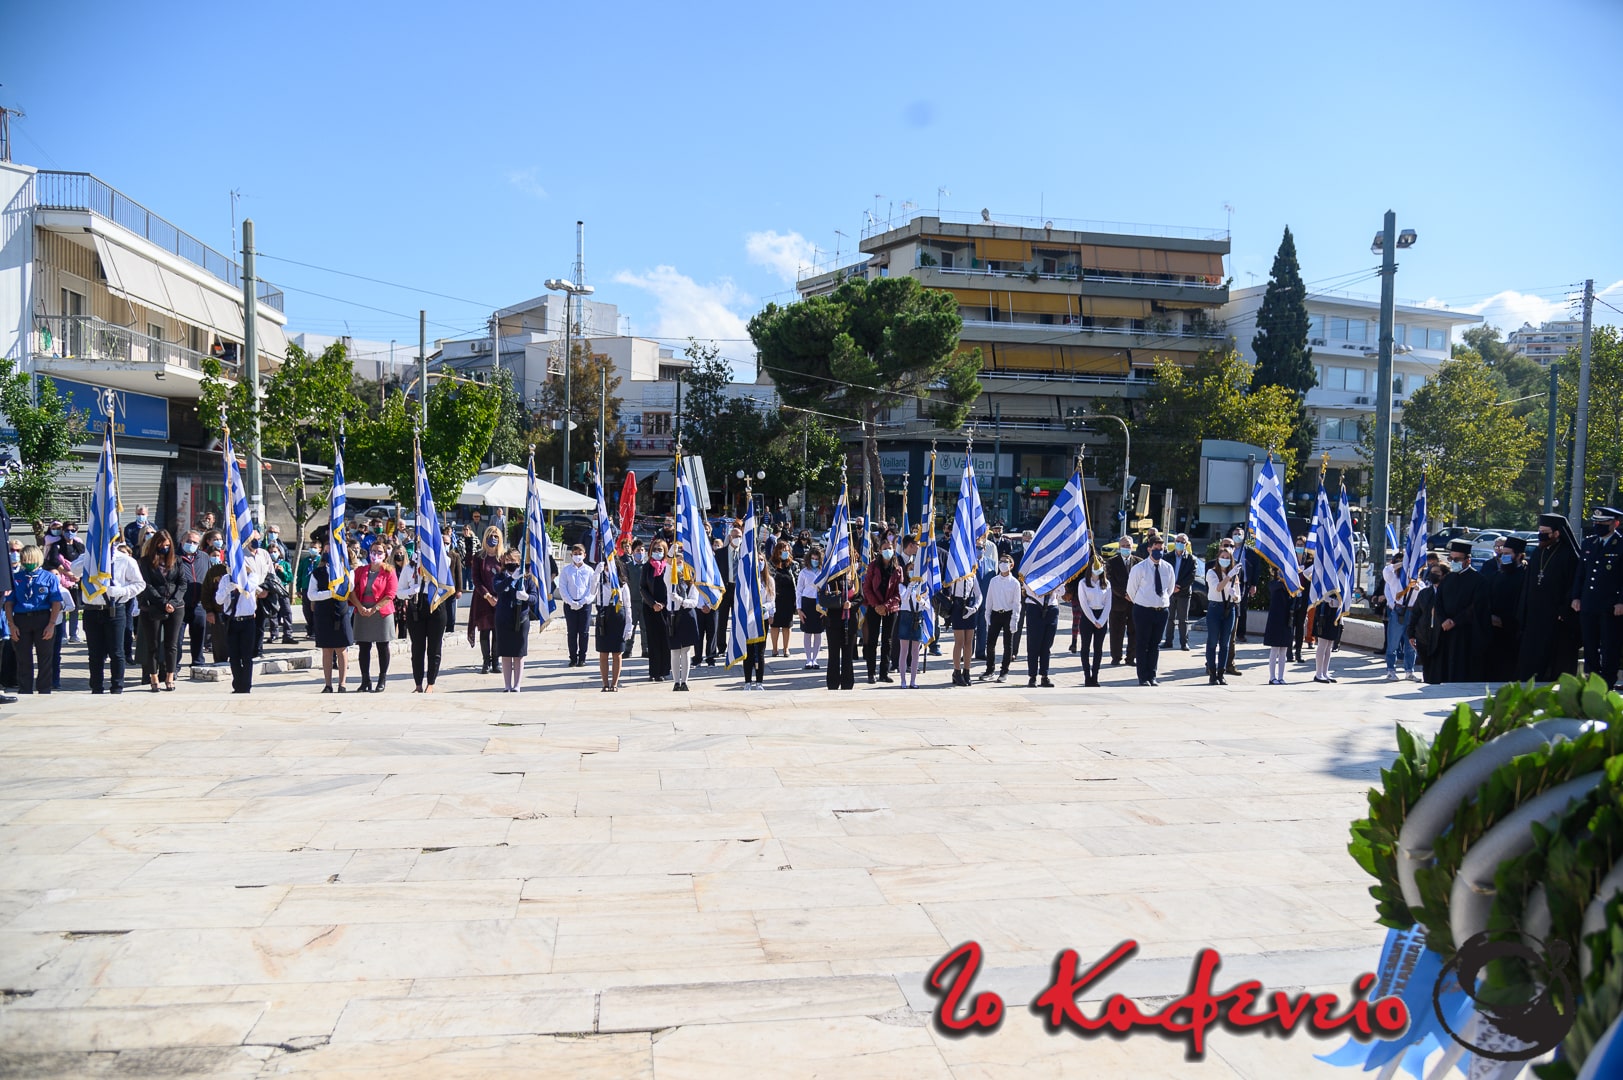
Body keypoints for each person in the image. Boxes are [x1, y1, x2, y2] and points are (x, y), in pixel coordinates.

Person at [70, 538, 143, 694]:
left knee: (116, 651)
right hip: (92, 609)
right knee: (95, 653)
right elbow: (74, 570)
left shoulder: (125, 560)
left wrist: (121, 591)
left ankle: (117, 686)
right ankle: (96, 687)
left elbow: (139, 584)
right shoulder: (88, 558)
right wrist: (90, 557)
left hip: (114, 609)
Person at [1518, 514, 1582, 681]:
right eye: (1539, 531)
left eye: (1545, 532)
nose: (1541, 535)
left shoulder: (1569, 555)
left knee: (1556, 657)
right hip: (1534, 616)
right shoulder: (1538, 553)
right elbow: (1528, 583)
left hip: (1556, 617)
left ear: (1556, 533)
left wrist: (1564, 610)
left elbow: (1574, 585)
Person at [1572, 507, 1623, 688]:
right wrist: (1576, 597)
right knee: (1590, 643)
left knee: (1609, 645)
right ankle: (1592, 679)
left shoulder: (1620, 544)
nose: (1598, 525)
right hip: (1589, 602)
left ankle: (1607, 681)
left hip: (1610, 604)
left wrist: (1621, 601)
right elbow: (1581, 574)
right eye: (1595, 522)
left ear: (1615, 523)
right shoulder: (1589, 543)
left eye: (1603, 522)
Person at [6, 546, 62, 695]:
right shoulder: (16, 577)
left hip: (42, 619)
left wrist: (51, 624)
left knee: (45, 658)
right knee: (23, 658)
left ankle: (44, 690)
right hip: (21, 620)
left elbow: (56, 602)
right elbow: (9, 603)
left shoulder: (49, 577)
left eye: (29, 559)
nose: (27, 563)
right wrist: (11, 625)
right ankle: (25, 690)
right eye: (24, 560)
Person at [136, 531, 185, 692]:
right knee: (153, 645)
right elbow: (147, 585)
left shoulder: (177, 560)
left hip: (175, 607)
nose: (164, 548)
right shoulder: (145, 562)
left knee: (171, 644)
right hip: (153, 606)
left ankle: (169, 676)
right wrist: (163, 603)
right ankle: (153, 677)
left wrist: (173, 602)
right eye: (161, 545)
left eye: (167, 545)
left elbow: (182, 583)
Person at [1436, 538, 1490, 683]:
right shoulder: (1448, 579)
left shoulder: (1479, 580)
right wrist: (1443, 620)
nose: (1453, 562)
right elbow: (1438, 602)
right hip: (1446, 630)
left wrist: (1455, 621)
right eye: (1451, 559)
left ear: (1468, 560)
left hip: (1466, 633)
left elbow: (1476, 606)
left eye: (1457, 559)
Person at [307, 532, 353, 693]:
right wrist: (329, 593)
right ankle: (328, 684)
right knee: (326, 650)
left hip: (340, 612)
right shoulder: (317, 573)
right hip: (323, 614)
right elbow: (311, 595)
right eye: (326, 551)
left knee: (341, 649)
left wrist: (342, 578)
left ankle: (342, 683)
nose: (328, 553)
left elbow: (351, 587)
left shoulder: (345, 571)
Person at [349, 541, 398, 692]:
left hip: (381, 613)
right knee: (364, 647)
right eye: (373, 551)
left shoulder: (389, 571)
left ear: (385, 555)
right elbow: (351, 591)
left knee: (382, 646)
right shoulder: (360, 571)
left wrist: (375, 608)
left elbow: (390, 594)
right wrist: (359, 606)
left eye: (379, 552)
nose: (376, 555)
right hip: (362, 610)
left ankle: (382, 679)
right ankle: (365, 680)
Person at [1126, 534, 1173, 686]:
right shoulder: (1139, 568)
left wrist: (1160, 601)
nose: (1159, 552)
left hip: (1161, 610)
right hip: (1143, 610)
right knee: (1142, 643)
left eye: (1161, 549)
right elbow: (1131, 591)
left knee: (1155, 644)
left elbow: (1170, 589)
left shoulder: (1168, 568)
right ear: (1149, 549)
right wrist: (1144, 601)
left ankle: (1152, 675)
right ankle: (1142, 676)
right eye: (1156, 549)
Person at [398, 544, 446, 694]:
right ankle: (418, 683)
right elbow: (399, 592)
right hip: (416, 608)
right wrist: (410, 591)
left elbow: (448, 582)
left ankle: (430, 683)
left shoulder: (439, 566)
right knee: (417, 649)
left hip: (435, 606)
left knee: (434, 648)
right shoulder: (409, 568)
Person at [214, 557, 265, 694]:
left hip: (248, 621)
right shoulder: (226, 579)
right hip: (232, 621)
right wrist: (228, 588)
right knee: (234, 656)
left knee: (246, 656)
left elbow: (249, 587)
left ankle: (246, 686)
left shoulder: (252, 576)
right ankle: (237, 685)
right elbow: (218, 600)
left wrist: (238, 583)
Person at [862, 543, 904, 684]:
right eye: (884, 548)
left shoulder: (898, 569)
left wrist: (886, 606)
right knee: (872, 640)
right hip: (874, 607)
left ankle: (884, 673)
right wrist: (876, 605)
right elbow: (866, 587)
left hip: (890, 609)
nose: (887, 551)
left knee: (887, 641)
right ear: (879, 550)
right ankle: (871, 673)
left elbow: (899, 592)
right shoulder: (873, 566)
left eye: (890, 548)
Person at [1488, 535, 1528, 675]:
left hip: (1514, 632)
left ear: (1519, 556)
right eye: (1502, 553)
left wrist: (1504, 622)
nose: (1503, 556)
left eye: (1507, 554)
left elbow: (1523, 605)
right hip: (1494, 630)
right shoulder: (1498, 575)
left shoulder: (1525, 576)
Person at [467, 526, 504, 675]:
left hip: (500, 599)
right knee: (484, 630)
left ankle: (496, 661)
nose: (492, 538)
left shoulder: (503, 557)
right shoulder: (479, 557)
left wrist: (498, 597)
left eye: (495, 536)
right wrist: (488, 596)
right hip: (483, 599)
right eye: (490, 536)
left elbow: (506, 577)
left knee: (497, 631)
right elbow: (476, 579)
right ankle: (486, 662)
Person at [492, 550, 531, 692]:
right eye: (507, 560)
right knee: (506, 653)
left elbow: (534, 598)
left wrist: (526, 597)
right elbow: (497, 588)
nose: (510, 563)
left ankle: (517, 685)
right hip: (504, 619)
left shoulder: (526, 578)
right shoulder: (500, 576)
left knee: (519, 654)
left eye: (513, 560)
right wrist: (511, 578)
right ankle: (507, 685)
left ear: (519, 561)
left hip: (521, 619)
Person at [980, 554, 1020, 682]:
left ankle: (1004, 671)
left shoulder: (1015, 583)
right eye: (1001, 561)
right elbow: (989, 598)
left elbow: (1016, 603)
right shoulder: (994, 581)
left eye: (1006, 562)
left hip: (1008, 614)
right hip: (996, 613)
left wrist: (1014, 619)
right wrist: (987, 614)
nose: (1003, 564)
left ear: (1011, 565)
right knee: (990, 643)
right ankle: (990, 670)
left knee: (1007, 645)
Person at [594, 556, 632, 692]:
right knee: (603, 653)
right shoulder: (600, 583)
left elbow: (627, 605)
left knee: (617, 653)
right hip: (604, 617)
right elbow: (591, 592)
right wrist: (596, 574)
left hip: (618, 617)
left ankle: (614, 684)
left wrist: (629, 624)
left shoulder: (623, 585)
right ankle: (605, 683)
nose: (608, 570)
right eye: (606, 568)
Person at [666, 552, 702, 692]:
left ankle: (684, 681)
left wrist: (681, 600)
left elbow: (694, 601)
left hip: (687, 615)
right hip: (673, 615)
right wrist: (671, 553)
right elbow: (667, 570)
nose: (679, 563)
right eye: (677, 561)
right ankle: (676, 682)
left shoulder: (691, 581)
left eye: (681, 561)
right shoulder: (670, 579)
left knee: (686, 650)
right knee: (675, 650)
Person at [819, 569, 858, 690]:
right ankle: (833, 682)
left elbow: (860, 597)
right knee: (834, 654)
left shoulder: (854, 577)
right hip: (833, 622)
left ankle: (847, 683)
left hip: (850, 621)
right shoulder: (830, 577)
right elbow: (824, 597)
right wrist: (840, 602)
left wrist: (851, 605)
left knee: (848, 654)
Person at [1073, 562, 1111, 687]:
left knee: (1098, 649)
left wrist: (1101, 620)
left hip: (1101, 616)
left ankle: (1095, 676)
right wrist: (1093, 620)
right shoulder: (1083, 583)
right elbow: (1083, 603)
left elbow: (1108, 604)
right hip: (1088, 616)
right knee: (1085, 648)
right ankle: (1087, 676)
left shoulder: (1106, 584)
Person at [1408, 563, 1447, 684]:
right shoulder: (1424, 593)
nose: (1433, 575)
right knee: (1427, 668)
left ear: (1444, 575)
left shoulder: (1449, 593)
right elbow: (1416, 614)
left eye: (1436, 573)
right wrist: (1411, 634)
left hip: (1441, 637)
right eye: (1432, 572)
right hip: (1424, 637)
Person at [1381, 552, 1417, 681]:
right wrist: (1403, 563)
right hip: (1399, 611)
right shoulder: (1393, 578)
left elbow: (1422, 592)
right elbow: (1387, 570)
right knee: (1393, 644)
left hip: (1412, 612)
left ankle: (1409, 671)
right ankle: (1390, 670)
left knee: (1411, 644)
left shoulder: (1415, 580)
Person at [558, 544, 594, 667]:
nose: (577, 556)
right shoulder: (566, 570)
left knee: (584, 632)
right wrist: (570, 601)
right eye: (575, 554)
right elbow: (563, 587)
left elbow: (592, 588)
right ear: (571, 555)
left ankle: (582, 657)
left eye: (580, 553)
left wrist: (583, 601)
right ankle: (573, 658)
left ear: (585, 555)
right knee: (572, 632)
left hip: (585, 605)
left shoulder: (589, 570)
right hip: (570, 604)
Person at [1022, 575, 1061, 688]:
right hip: (1034, 606)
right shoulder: (1032, 570)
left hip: (1051, 607)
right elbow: (1027, 585)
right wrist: (1042, 589)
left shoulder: (1055, 572)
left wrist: (1052, 588)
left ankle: (1044, 675)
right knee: (1034, 644)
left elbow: (1062, 590)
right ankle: (1032, 676)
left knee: (1047, 645)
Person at [642, 540, 673, 682]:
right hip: (650, 608)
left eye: (660, 549)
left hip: (666, 608)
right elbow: (642, 588)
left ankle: (663, 671)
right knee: (653, 640)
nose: (657, 552)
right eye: (654, 549)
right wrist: (653, 603)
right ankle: (653, 672)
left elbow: (672, 587)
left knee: (665, 639)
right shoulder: (647, 567)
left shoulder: (669, 567)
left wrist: (664, 604)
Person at [895, 559, 928, 688]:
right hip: (906, 617)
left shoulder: (923, 588)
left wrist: (922, 601)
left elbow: (928, 606)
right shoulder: (902, 586)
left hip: (917, 617)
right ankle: (903, 680)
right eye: (910, 569)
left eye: (914, 569)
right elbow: (904, 598)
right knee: (904, 650)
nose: (912, 571)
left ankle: (913, 681)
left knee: (915, 652)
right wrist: (911, 586)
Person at [741, 556, 774, 688]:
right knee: (748, 652)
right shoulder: (746, 579)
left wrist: (764, 608)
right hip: (749, 619)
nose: (759, 563)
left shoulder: (769, 580)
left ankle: (759, 682)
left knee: (760, 652)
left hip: (762, 618)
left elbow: (772, 601)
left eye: (761, 560)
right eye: (757, 560)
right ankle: (747, 682)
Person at [1105, 538, 1137, 667]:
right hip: (1117, 602)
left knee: (1134, 631)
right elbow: (1110, 582)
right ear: (1119, 547)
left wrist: (1133, 595)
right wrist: (1125, 594)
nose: (1126, 547)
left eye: (1128, 545)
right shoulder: (1111, 562)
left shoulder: (1139, 562)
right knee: (1116, 632)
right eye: (1123, 545)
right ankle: (1116, 657)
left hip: (1134, 603)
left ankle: (1131, 657)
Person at [1163, 534, 1196, 651]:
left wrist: (1179, 587)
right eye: (1178, 541)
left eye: (1182, 542)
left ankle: (1184, 643)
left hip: (1184, 593)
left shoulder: (1191, 559)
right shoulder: (1167, 557)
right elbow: (1164, 573)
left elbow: (1191, 576)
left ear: (1186, 544)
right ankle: (1168, 641)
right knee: (1170, 618)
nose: (1180, 544)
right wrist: (1171, 587)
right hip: (1170, 592)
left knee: (1183, 619)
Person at [54, 521, 85, 642]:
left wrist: (78, 575)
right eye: (67, 530)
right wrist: (68, 573)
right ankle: (62, 634)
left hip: (77, 580)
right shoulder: (57, 546)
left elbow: (84, 561)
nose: (70, 533)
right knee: (62, 607)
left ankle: (74, 634)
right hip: (62, 580)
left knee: (75, 608)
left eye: (73, 530)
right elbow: (55, 561)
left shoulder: (79, 546)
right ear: (63, 531)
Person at [1263, 567, 1293, 685]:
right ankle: (1272, 677)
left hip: (1286, 618)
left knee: (1283, 649)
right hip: (1275, 619)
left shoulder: (1290, 586)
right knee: (1275, 649)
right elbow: (1275, 587)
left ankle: (1281, 676)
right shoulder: (1274, 584)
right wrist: (1284, 581)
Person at [796, 546, 825, 669]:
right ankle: (808, 659)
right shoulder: (804, 572)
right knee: (807, 633)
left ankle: (815, 659)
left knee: (818, 633)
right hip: (807, 603)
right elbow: (799, 590)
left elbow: (827, 589)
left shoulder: (823, 571)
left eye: (817, 559)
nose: (815, 561)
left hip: (819, 603)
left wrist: (825, 608)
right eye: (813, 558)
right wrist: (799, 609)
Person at [768, 542, 797, 658]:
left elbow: (797, 581)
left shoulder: (793, 565)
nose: (785, 552)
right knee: (774, 625)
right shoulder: (771, 564)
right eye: (783, 550)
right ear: (777, 551)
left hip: (789, 599)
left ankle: (786, 649)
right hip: (776, 599)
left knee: (787, 625)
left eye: (787, 550)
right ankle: (775, 649)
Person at [1312, 588, 1343, 683]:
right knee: (1322, 644)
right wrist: (1329, 600)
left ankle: (1324, 672)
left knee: (1329, 645)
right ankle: (1318, 674)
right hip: (1324, 612)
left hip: (1334, 613)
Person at [623, 539, 647, 660]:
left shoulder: (647, 566)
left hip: (645, 602)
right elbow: (625, 582)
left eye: (642, 550)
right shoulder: (628, 566)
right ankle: (628, 650)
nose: (640, 553)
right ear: (633, 552)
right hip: (632, 601)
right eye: (638, 550)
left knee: (645, 627)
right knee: (630, 626)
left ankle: (645, 649)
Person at [1290, 547, 1313, 664]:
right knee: (1290, 625)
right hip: (1292, 598)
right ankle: (1288, 651)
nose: (1299, 547)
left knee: (1300, 626)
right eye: (1297, 545)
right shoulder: (1291, 560)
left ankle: (1298, 652)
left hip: (1304, 599)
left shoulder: (1310, 563)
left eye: (1302, 545)